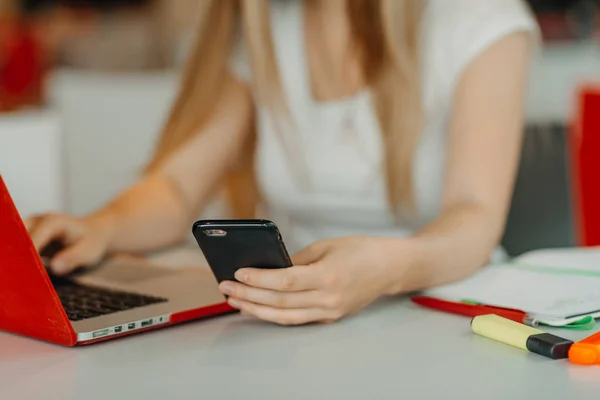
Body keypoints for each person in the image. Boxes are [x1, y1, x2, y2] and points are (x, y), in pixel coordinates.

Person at [27, 0, 539, 326]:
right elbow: (179, 187)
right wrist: (102, 226)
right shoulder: (265, 25)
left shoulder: (482, 19)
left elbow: (476, 215)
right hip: (301, 318)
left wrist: (386, 270)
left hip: (449, 311)